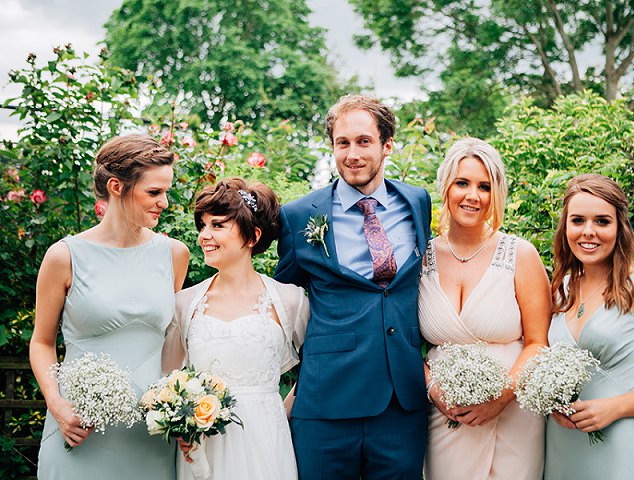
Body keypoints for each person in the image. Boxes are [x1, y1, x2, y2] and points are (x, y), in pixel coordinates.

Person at [275, 94, 432, 479]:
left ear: (387, 145)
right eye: (342, 143)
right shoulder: (298, 217)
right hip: (326, 401)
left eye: (364, 141)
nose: (352, 154)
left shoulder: (417, 201)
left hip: (401, 402)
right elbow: (281, 300)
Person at [30, 134, 190, 480]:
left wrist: (180, 409)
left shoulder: (174, 254)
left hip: (149, 435)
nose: (164, 202)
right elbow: (41, 342)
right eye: (154, 192)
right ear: (117, 187)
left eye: (166, 191)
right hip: (78, 429)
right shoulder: (64, 256)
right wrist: (58, 407)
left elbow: (172, 341)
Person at [545, 174, 634, 479]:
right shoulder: (559, 289)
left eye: (602, 221)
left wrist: (614, 408)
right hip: (561, 442)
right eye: (578, 221)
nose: (588, 232)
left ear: (619, 227)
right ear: (565, 228)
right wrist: (549, 403)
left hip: (618, 443)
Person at [420, 137, 550, 479]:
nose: (472, 196)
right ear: (446, 187)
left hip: (514, 412)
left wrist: (504, 394)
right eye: (462, 183)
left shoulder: (520, 254)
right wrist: (434, 390)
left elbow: (539, 341)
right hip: (447, 412)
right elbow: (401, 341)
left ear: (496, 194)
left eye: (484, 186)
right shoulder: (420, 258)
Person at [162, 177, 309, 479]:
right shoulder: (184, 303)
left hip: (267, 440)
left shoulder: (290, 300)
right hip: (202, 447)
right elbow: (169, 379)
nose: (204, 235)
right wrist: (182, 422)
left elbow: (316, 367)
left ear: (253, 236)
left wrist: (280, 409)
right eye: (202, 225)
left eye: (217, 225)